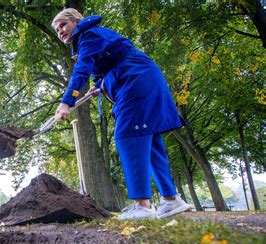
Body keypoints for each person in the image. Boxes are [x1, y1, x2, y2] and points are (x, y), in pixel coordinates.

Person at [52, 9, 190, 220]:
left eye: (62, 25)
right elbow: (113, 61)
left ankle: (142, 205)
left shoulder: (89, 35)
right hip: (141, 76)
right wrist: (99, 85)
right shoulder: (92, 37)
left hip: (136, 80)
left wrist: (66, 102)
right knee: (150, 140)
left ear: (76, 21)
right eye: (56, 29)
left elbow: (82, 71)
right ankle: (171, 201)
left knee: (127, 134)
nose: (60, 31)